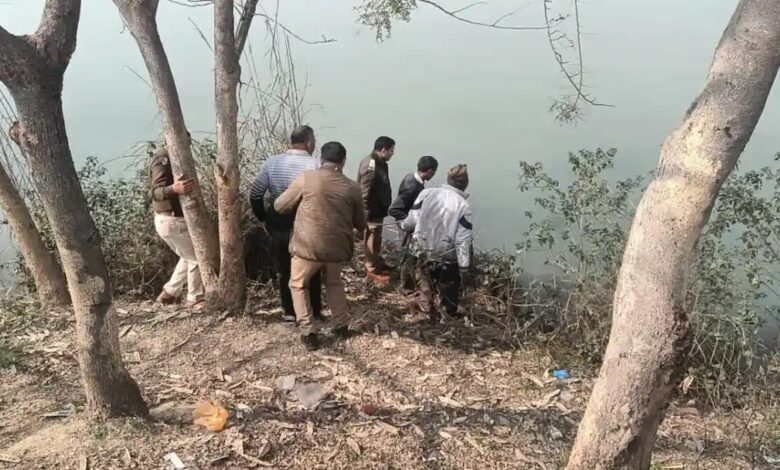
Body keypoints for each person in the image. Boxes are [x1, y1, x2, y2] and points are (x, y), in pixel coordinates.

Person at [274, 141, 366, 351]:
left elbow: (280, 205)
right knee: (334, 283)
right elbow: (361, 224)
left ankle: (309, 332)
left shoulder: (307, 178)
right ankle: (341, 325)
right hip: (337, 248)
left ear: (320, 159)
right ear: (343, 161)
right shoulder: (353, 187)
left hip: (308, 248)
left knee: (298, 285)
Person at [249, 125, 322, 323]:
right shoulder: (316, 164)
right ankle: (314, 311)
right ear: (309, 142)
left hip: (279, 219)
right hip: (307, 219)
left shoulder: (272, 162)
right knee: (311, 265)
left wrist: (264, 218)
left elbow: (255, 194)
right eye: (314, 141)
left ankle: (289, 311)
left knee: (284, 267)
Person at [402, 164, 473, 323]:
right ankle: (447, 316)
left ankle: (426, 311)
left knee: (425, 281)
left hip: (422, 248)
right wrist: (464, 266)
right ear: (465, 184)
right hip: (446, 255)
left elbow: (412, 220)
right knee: (449, 288)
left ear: (448, 180)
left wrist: (403, 226)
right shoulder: (463, 205)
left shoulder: (427, 193)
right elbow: (462, 240)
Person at [149, 139, 204, 309]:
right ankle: (195, 298)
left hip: (172, 220)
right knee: (198, 256)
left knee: (188, 256)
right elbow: (156, 192)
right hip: (170, 220)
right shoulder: (162, 159)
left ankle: (169, 293)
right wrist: (174, 188)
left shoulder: (174, 158)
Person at [388, 156, 439, 293]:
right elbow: (394, 209)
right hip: (406, 225)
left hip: (409, 223)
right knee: (408, 255)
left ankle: (408, 284)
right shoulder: (413, 186)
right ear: (429, 171)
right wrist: (407, 222)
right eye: (434, 171)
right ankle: (406, 288)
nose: (434, 174)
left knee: (410, 254)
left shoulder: (412, 178)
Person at [357, 136, 395, 283]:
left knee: (377, 238)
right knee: (371, 239)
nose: (392, 154)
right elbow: (365, 191)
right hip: (371, 211)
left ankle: (377, 262)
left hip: (379, 210)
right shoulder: (370, 164)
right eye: (391, 150)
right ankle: (371, 268)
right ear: (383, 150)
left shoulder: (381, 163)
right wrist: (365, 214)